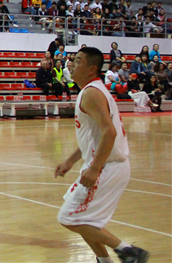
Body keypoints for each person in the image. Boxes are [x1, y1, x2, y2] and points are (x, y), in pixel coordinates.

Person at [54, 47, 149, 263]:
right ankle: (104, 260)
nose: (72, 64)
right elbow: (94, 136)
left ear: (91, 69)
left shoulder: (92, 93)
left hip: (107, 166)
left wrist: (95, 168)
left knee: (69, 217)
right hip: (104, 164)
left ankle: (129, 251)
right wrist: (70, 161)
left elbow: (109, 132)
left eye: (78, 60)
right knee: (83, 219)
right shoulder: (92, 90)